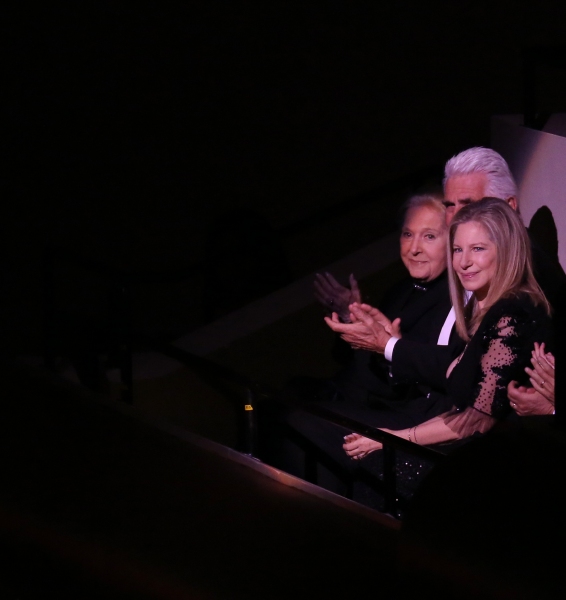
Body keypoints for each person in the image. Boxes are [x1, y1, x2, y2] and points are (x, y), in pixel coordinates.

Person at [326, 197, 552, 460]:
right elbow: (461, 409)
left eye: (478, 249)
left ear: (506, 251)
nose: (464, 262)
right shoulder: (487, 312)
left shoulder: (513, 315)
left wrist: (392, 438)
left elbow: (477, 420)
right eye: (457, 250)